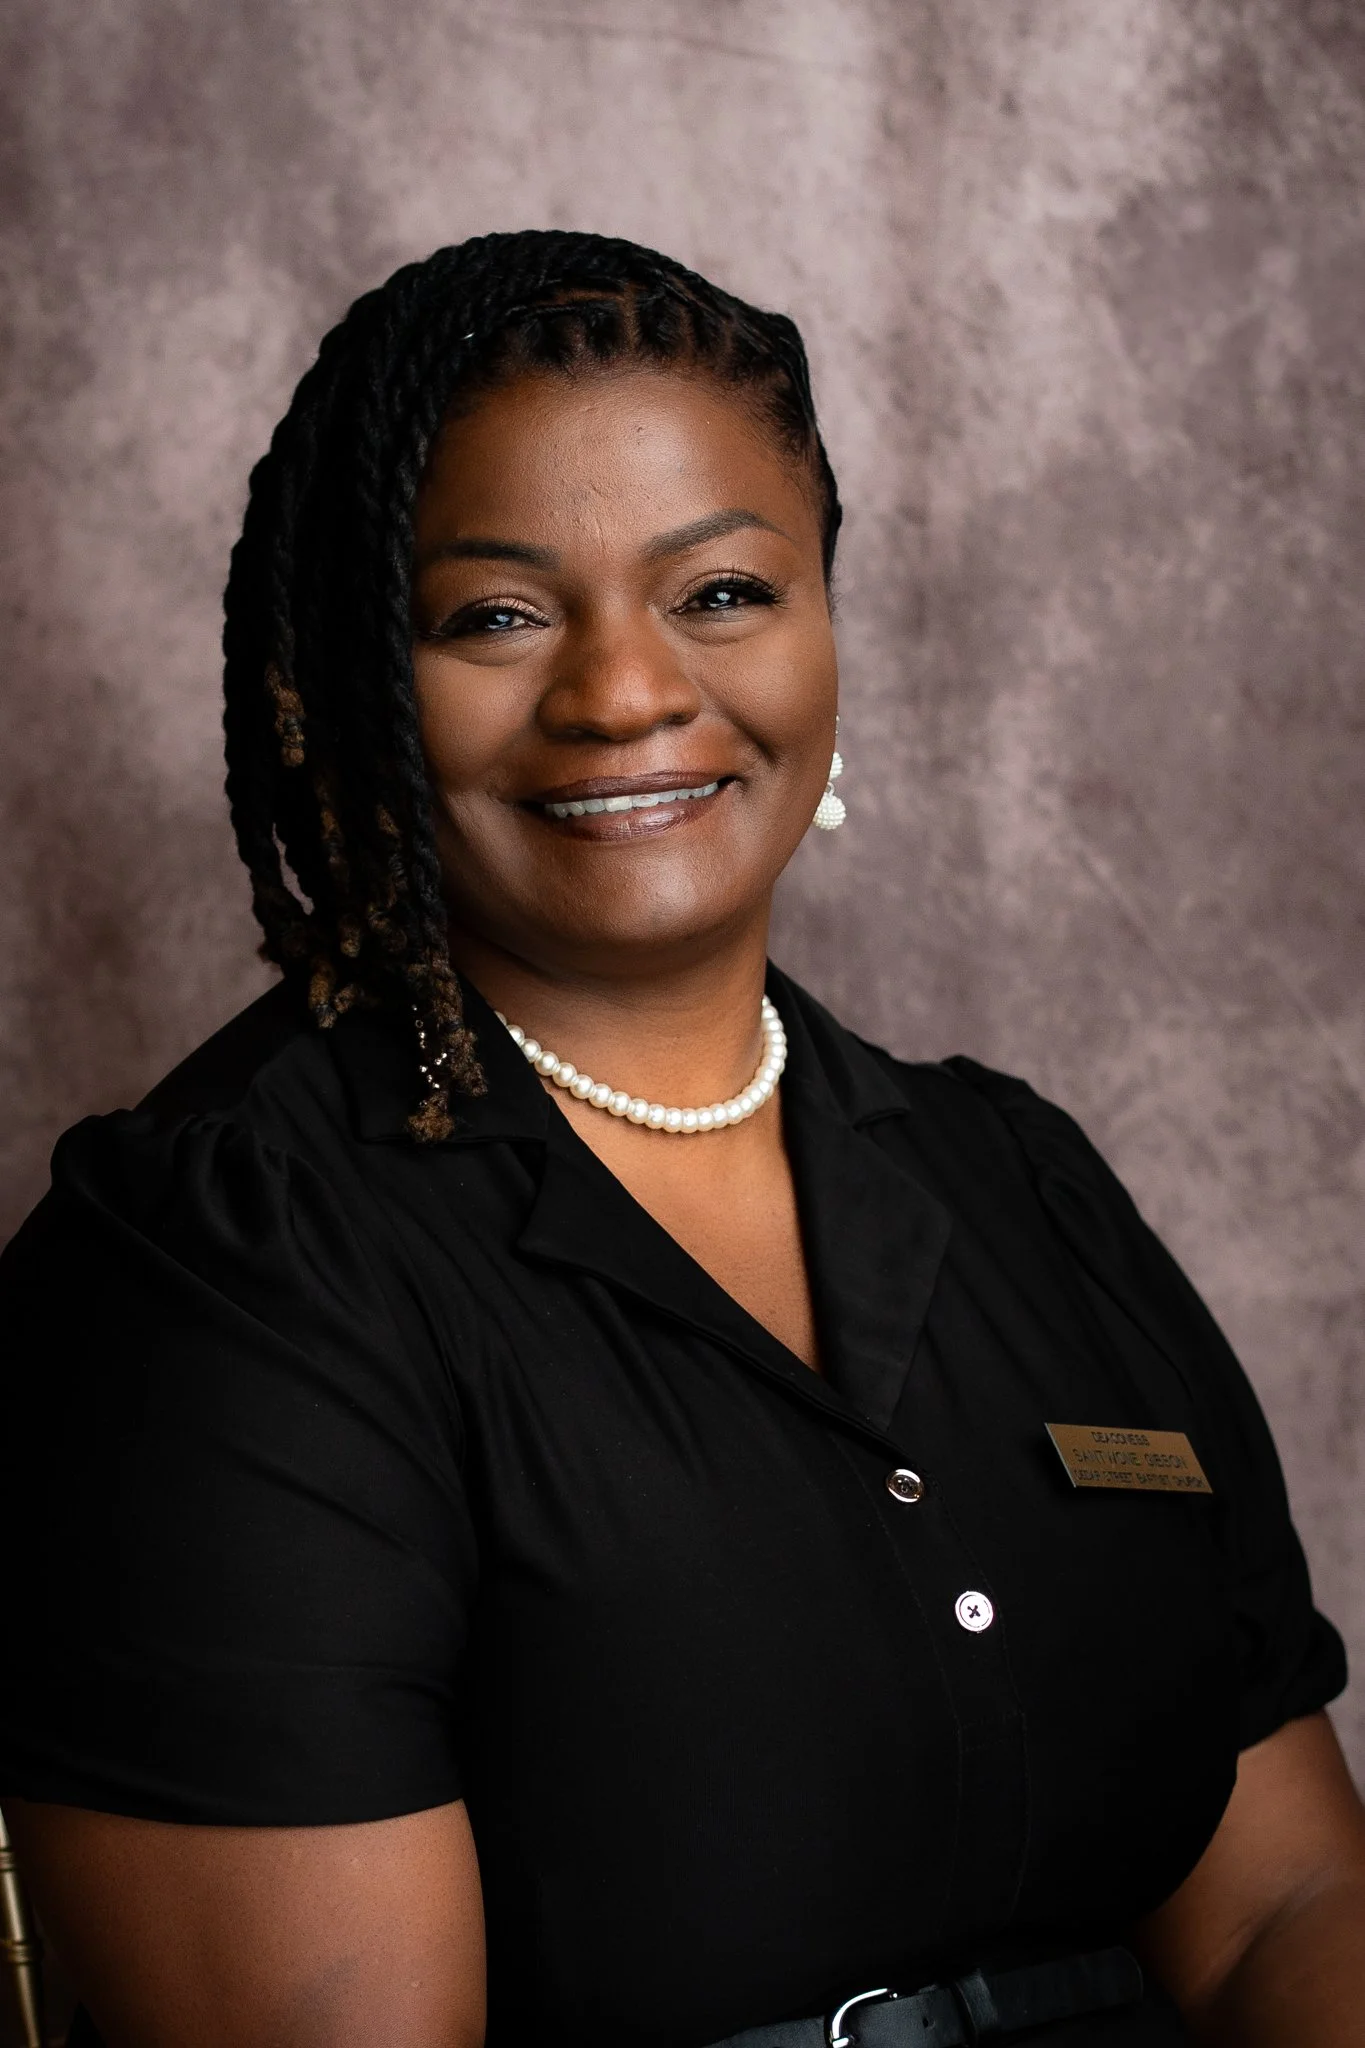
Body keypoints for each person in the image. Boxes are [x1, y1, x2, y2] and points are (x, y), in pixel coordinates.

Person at [0, 230, 1361, 2048]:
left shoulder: (1015, 1180)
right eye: (494, 614)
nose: (627, 692)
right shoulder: (226, 1272)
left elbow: (1287, 1902)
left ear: (827, 625)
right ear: (339, 699)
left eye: (721, 593)